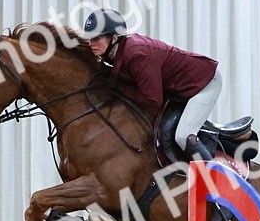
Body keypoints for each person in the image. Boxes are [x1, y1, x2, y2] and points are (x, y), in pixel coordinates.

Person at [81, 8, 221, 155]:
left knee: (183, 137)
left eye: (96, 38)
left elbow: (153, 100)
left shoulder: (137, 54)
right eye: (90, 39)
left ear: (114, 38)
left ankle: (209, 177)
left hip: (205, 82)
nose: (91, 43)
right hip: (180, 89)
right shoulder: (115, 53)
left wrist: (119, 87)